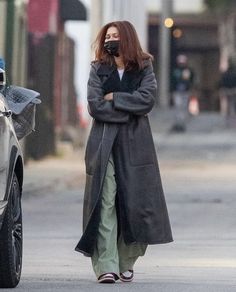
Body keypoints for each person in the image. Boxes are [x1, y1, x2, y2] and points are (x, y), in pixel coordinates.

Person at [75, 20, 173, 284]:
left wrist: (115, 99)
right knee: (105, 200)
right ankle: (107, 264)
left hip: (136, 143)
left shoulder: (144, 66)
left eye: (116, 35)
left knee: (135, 202)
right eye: (108, 35)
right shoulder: (98, 68)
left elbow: (147, 100)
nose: (112, 39)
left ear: (127, 38)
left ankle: (125, 260)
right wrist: (128, 108)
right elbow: (95, 106)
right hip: (103, 142)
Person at [171, 54, 194, 132]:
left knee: (183, 108)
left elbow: (191, 79)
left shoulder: (188, 70)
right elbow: (173, 81)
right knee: (178, 107)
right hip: (177, 92)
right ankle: (178, 124)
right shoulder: (175, 71)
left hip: (185, 92)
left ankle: (182, 124)